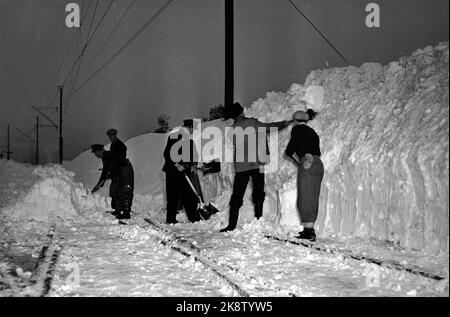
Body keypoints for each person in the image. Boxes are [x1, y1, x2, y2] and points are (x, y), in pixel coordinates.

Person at [220, 102, 291, 232]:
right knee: (258, 190)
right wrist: (284, 124)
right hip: (256, 163)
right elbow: (268, 127)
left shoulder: (232, 130)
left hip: (241, 165)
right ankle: (258, 218)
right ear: (241, 112)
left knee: (237, 194)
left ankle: (231, 225)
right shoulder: (252, 123)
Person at [285, 108, 324, 241]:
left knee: (305, 196)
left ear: (295, 121)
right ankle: (309, 229)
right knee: (313, 196)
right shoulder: (312, 132)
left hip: (307, 162)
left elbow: (289, 151)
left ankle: (308, 232)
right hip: (318, 163)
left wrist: (298, 163)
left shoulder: (297, 130)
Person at [162, 119, 202, 224]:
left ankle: (193, 217)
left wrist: (193, 164)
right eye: (193, 129)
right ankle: (170, 219)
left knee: (188, 194)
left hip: (184, 172)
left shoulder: (189, 139)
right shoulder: (175, 136)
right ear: (190, 127)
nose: (193, 131)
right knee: (173, 195)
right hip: (173, 171)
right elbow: (167, 153)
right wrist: (177, 164)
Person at [91, 144, 134, 220]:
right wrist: (98, 185)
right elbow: (105, 172)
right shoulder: (104, 157)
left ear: (100, 151)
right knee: (115, 189)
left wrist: (109, 176)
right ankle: (118, 210)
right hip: (119, 172)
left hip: (126, 170)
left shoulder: (109, 155)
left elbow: (114, 167)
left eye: (96, 153)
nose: (95, 155)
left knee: (126, 190)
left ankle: (126, 213)